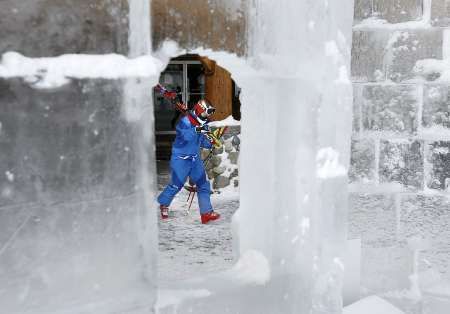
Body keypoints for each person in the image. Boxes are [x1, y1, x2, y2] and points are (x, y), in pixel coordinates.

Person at [157, 99, 220, 224]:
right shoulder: (185, 121)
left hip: (195, 159)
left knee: (203, 185)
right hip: (181, 158)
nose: (208, 115)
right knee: (176, 185)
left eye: (210, 112)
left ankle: (206, 213)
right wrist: (197, 129)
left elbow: (203, 142)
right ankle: (164, 204)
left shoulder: (204, 124)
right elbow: (185, 136)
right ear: (200, 110)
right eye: (206, 112)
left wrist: (211, 141)